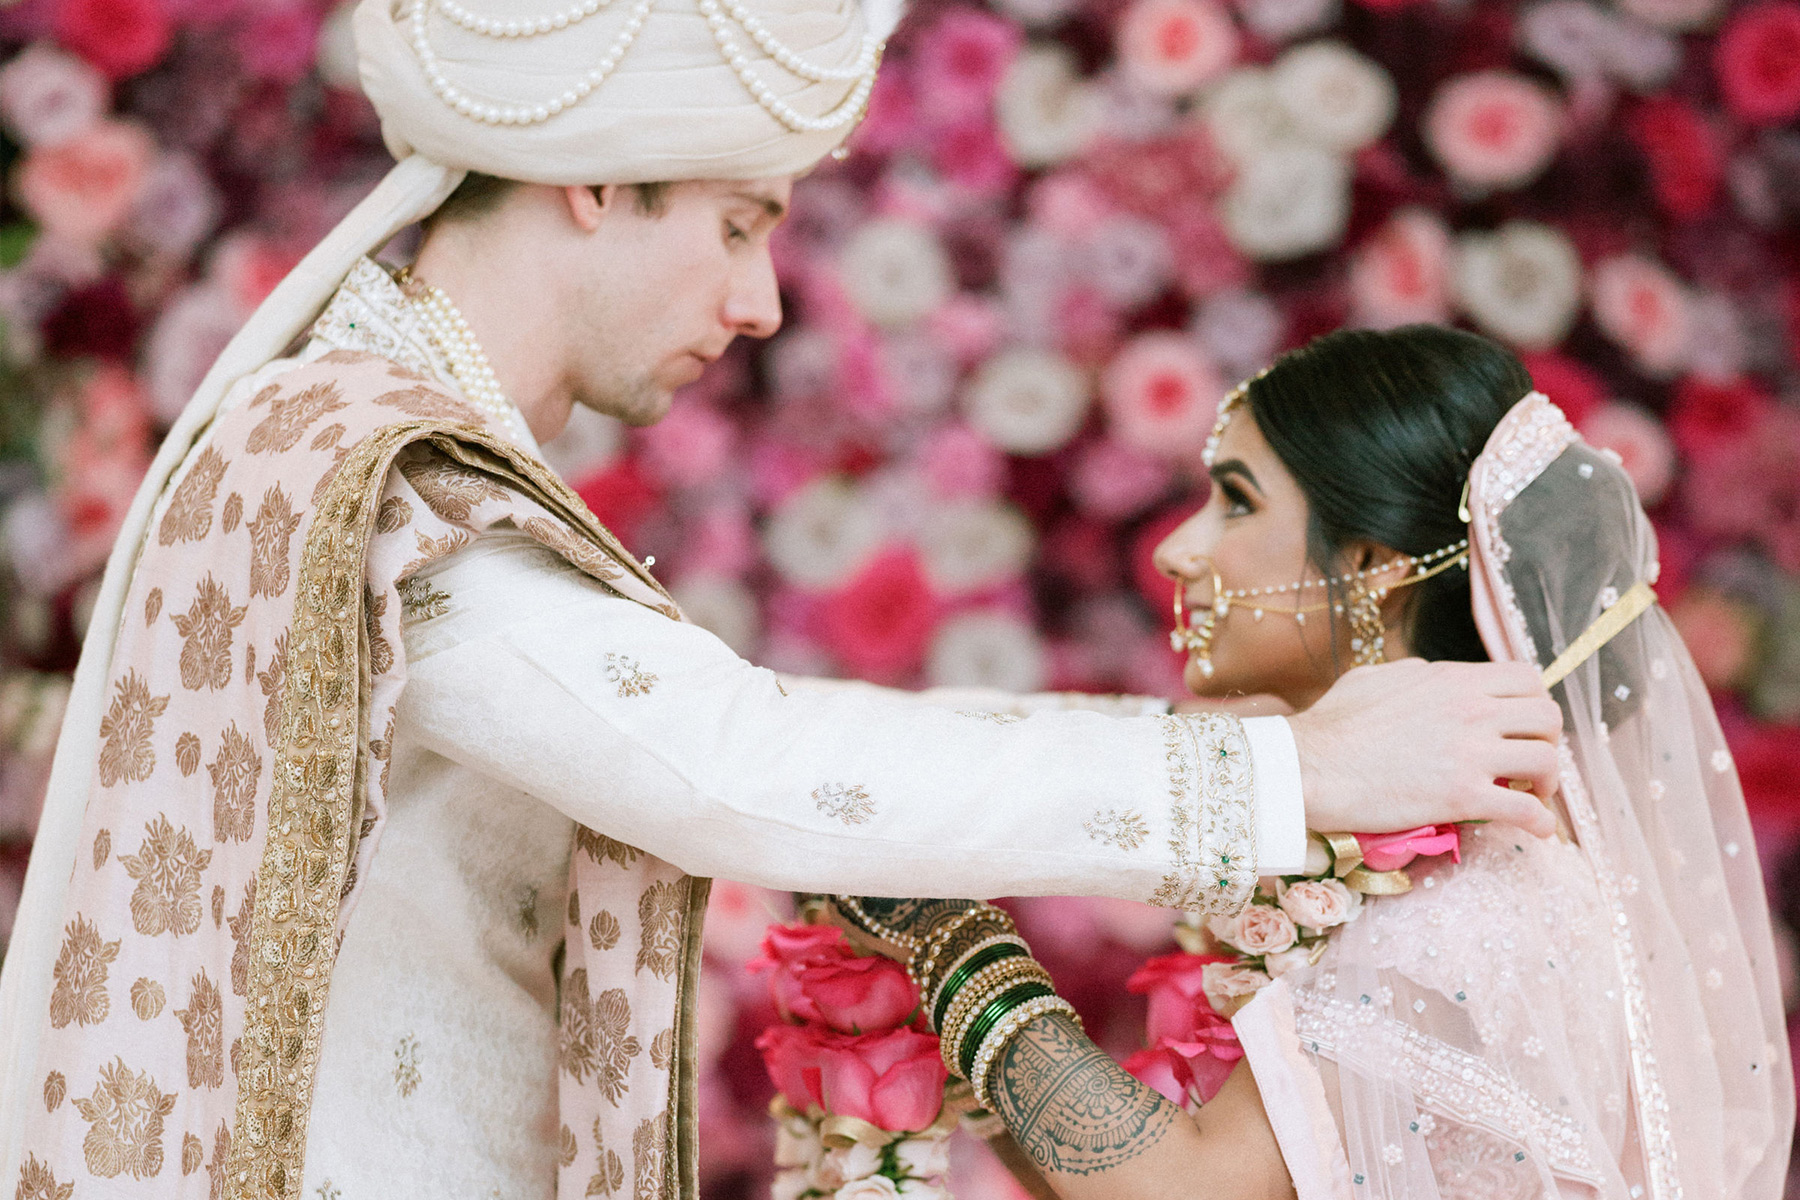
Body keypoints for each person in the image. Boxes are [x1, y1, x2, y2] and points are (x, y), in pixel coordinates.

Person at [0, 3, 1565, 1194]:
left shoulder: (367, 444)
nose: (757, 304)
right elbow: (730, 768)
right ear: (598, 189)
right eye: (742, 224)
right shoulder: (375, 475)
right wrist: (1287, 772)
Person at [837, 326, 1791, 1200]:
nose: (1176, 549)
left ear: (1374, 565)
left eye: (1236, 501)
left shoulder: (1462, 905)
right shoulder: (1396, 863)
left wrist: (947, 940)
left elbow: (1185, 1190)